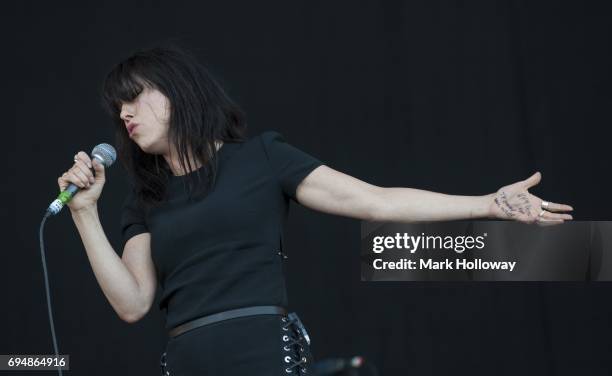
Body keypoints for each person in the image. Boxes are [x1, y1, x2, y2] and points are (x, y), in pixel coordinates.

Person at [58, 45, 573, 375]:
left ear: (178, 92)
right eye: (116, 108)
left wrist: (491, 204)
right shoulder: (145, 196)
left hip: (260, 351)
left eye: (135, 97)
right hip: (189, 359)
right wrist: (85, 214)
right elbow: (131, 303)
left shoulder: (261, 158)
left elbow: (375, 200)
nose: (124, 113)